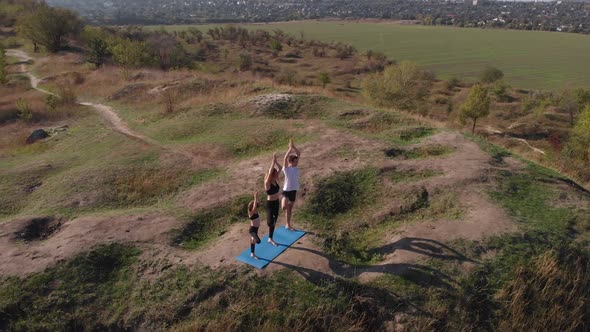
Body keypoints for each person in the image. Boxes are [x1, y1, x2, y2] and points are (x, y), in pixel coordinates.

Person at [282, 139, 301, 231]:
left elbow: (299, 153)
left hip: (294, 190)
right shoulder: (286, 169)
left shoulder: (295, 167)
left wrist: (294, 147)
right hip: (286, 190)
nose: (297, 162)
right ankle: (283, 203)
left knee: (289, 209)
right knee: (284, 207)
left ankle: (288, 224)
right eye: (296, 161)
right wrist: (290, 149)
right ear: (291, 161)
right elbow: (285, 158)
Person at [264, 153, 281, 246]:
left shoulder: (275, 180)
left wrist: (277, 163)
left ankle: (270, 238)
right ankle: (270, 237)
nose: (276, 175)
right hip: (270, 204)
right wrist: (272, 162)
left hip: (276, 202)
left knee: (274, 221)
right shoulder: (267, 184)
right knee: (270, 222)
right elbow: (270, 174)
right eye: (274, 174)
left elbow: (281, 168)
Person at [248, 192, 261, 259]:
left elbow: (258, 203)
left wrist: (257, 197)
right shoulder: (251, 213)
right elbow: (255, 206)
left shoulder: (255, 211)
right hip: (252, 230)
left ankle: (252, 254)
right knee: (258, 241)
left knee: (253, 241)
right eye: (253, 205)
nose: (255, 206)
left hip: (255, 229)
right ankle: (252, 240)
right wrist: (255, 197)